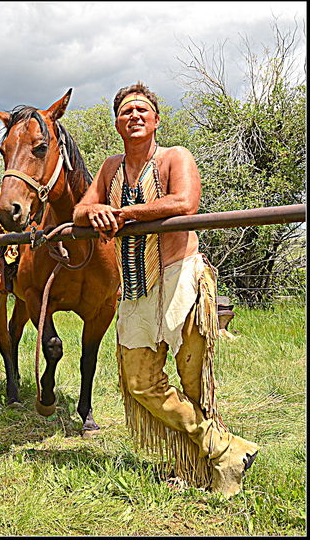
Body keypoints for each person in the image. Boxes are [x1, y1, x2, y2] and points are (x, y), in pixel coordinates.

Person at [73, 81, 258, 497]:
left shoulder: (175, 157)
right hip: (136, 287)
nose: (134, 116)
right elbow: (80, 210)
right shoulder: (109, 169)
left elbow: (184, 203)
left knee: (192, 380)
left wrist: (122, 213)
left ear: (156, 119)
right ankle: (225, 449)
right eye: (125, 111)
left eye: (142, 110)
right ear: (117, 123)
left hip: (180, 278)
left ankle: (200, 469)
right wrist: (96, 209)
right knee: (140, 381)